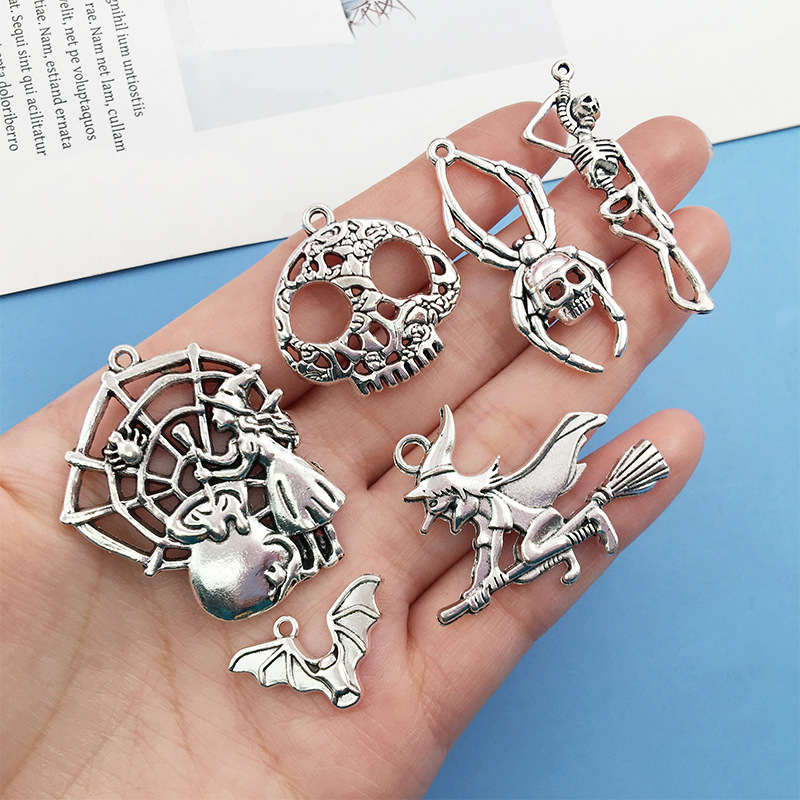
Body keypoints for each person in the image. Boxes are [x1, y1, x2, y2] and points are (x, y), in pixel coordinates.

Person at [0, 102, 727, 797]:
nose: (384, 329)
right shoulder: (233, 500)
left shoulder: (252, 484)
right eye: (280, 563)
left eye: (270, 560)